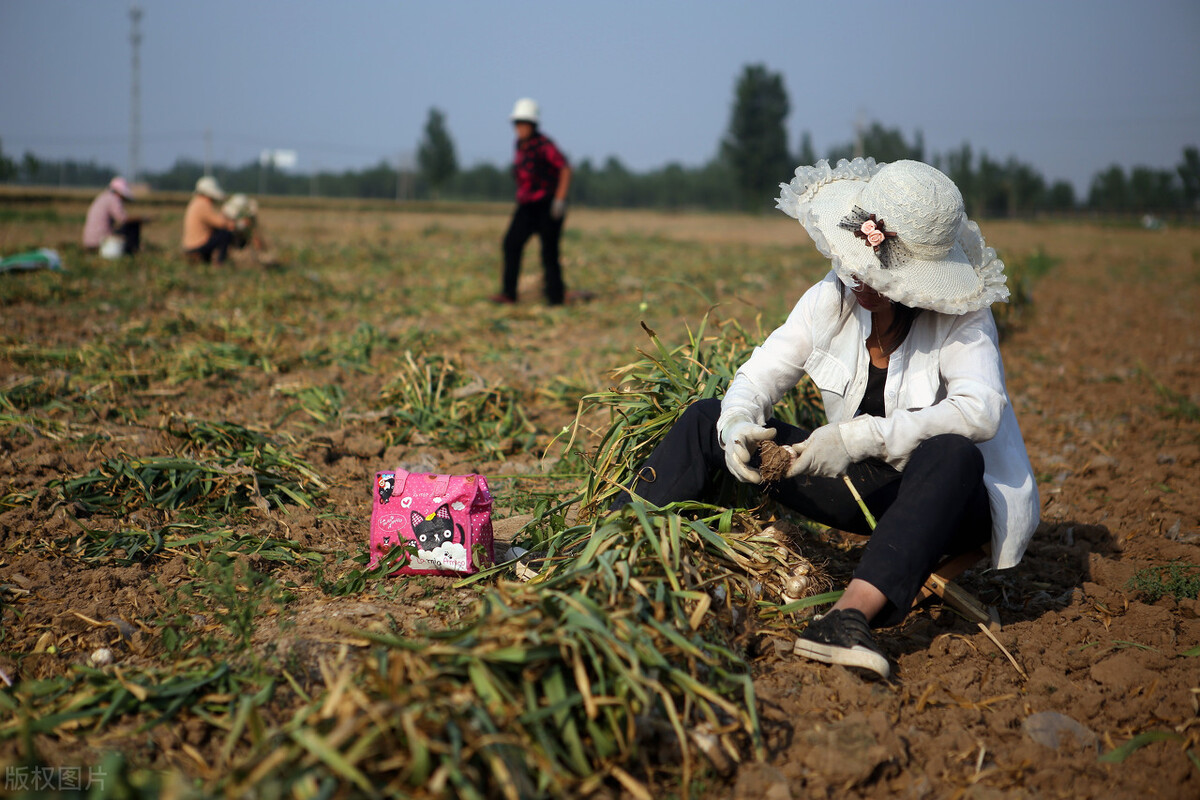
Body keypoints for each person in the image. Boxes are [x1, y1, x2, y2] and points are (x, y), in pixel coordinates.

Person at [611, 159, 1040, 680]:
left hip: (945, 503)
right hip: (865, 492)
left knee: (950, 453)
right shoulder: (833, 297)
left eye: (879, 275)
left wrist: (860, 436)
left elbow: (981, 411)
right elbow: (760, 373)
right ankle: (613, 544)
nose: (860, 278)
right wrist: (738, 426)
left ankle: (845, 618)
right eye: (858, 263)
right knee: (706, 418)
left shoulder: (965, 317)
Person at [491, 97, 573, 306]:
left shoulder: (545, 145)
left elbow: (564, 168)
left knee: (549, 251)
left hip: (547, 205)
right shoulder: (519, 145)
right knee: (511, 244)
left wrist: (560, 200)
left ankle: (555, 298)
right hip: (526, 206)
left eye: (524, 123)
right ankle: (509, 294)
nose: (520, 127)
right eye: (517, 123)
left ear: (533, 124)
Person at [82, 177, 144, 257]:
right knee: (133, 225)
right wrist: (141, 218)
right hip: (101, 240)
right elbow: (123, 219)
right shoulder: (114, 199)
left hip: (89, 240)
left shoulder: (103, 197)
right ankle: (132, 250)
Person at [182, 176, 236, 264]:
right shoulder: (203, 204)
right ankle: (220, 262)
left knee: (215, 234)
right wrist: (231, 223)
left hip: (189, 245)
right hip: (196, 246)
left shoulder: (195, 202)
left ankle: (207, 259)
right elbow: (221, 223)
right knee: (225, 235)